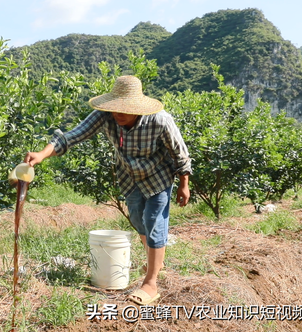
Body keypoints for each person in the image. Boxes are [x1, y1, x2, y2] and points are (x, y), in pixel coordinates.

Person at [24, 75, 191, 305]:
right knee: (137, 219)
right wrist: (42, 154)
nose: (117, 114)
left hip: (158, 177)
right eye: (114, 109)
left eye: (123, 110)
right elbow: (73, 135)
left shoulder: (160, 121)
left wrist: (184, 184)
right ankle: (155, 258)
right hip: (129, 177)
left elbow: (180, 153)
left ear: (137, 109)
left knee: (154, 221)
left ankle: (151, 282)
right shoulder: (106, 117)